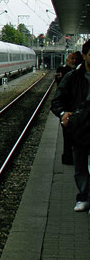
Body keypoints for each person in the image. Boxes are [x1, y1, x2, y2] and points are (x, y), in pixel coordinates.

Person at [51, 40, 90, 211]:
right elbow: (57, 101)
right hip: (80, 127)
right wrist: (63, 113)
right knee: (80, 165)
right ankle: (83, 197)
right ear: (85, 55)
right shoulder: (72, 77)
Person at [55, 52, 82, 164]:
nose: (73, 61)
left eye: (75, 59)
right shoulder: (63, 70)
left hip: (77, 108)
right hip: (67, 108)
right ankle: (68, 157)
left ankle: (73, 156)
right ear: (67, 59)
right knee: (67, 134)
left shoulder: (81, 73)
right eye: (71, 58)